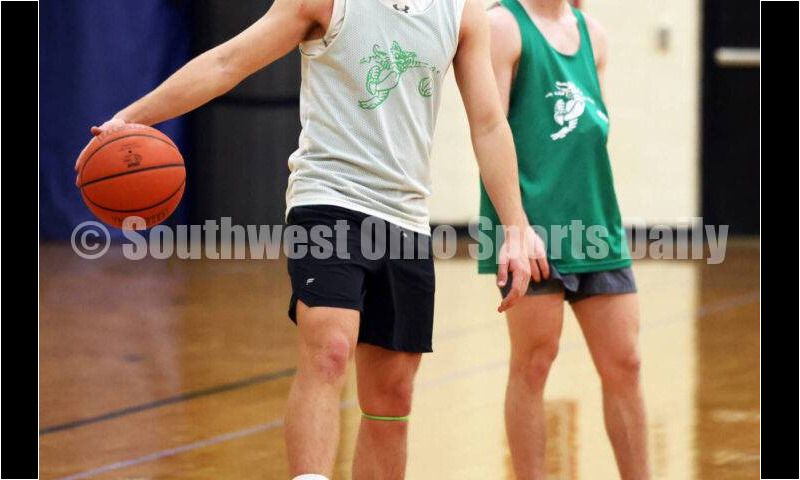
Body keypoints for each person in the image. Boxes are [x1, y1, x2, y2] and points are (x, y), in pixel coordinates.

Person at [79, 0, 545, 478]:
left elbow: (488, 123)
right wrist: (132, 118)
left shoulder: (461, 12)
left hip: (406, 215)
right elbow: (228, 61)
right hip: (328, 197)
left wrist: (515, 226)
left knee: (392, 395)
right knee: (330, 351)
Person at [481, 0, 650, 478]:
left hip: (596, 225)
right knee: (534, 365)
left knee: (627, 363)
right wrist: (514, 226)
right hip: (531, 227)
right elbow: (489, 131)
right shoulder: (502, 27)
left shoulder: (593, 35)